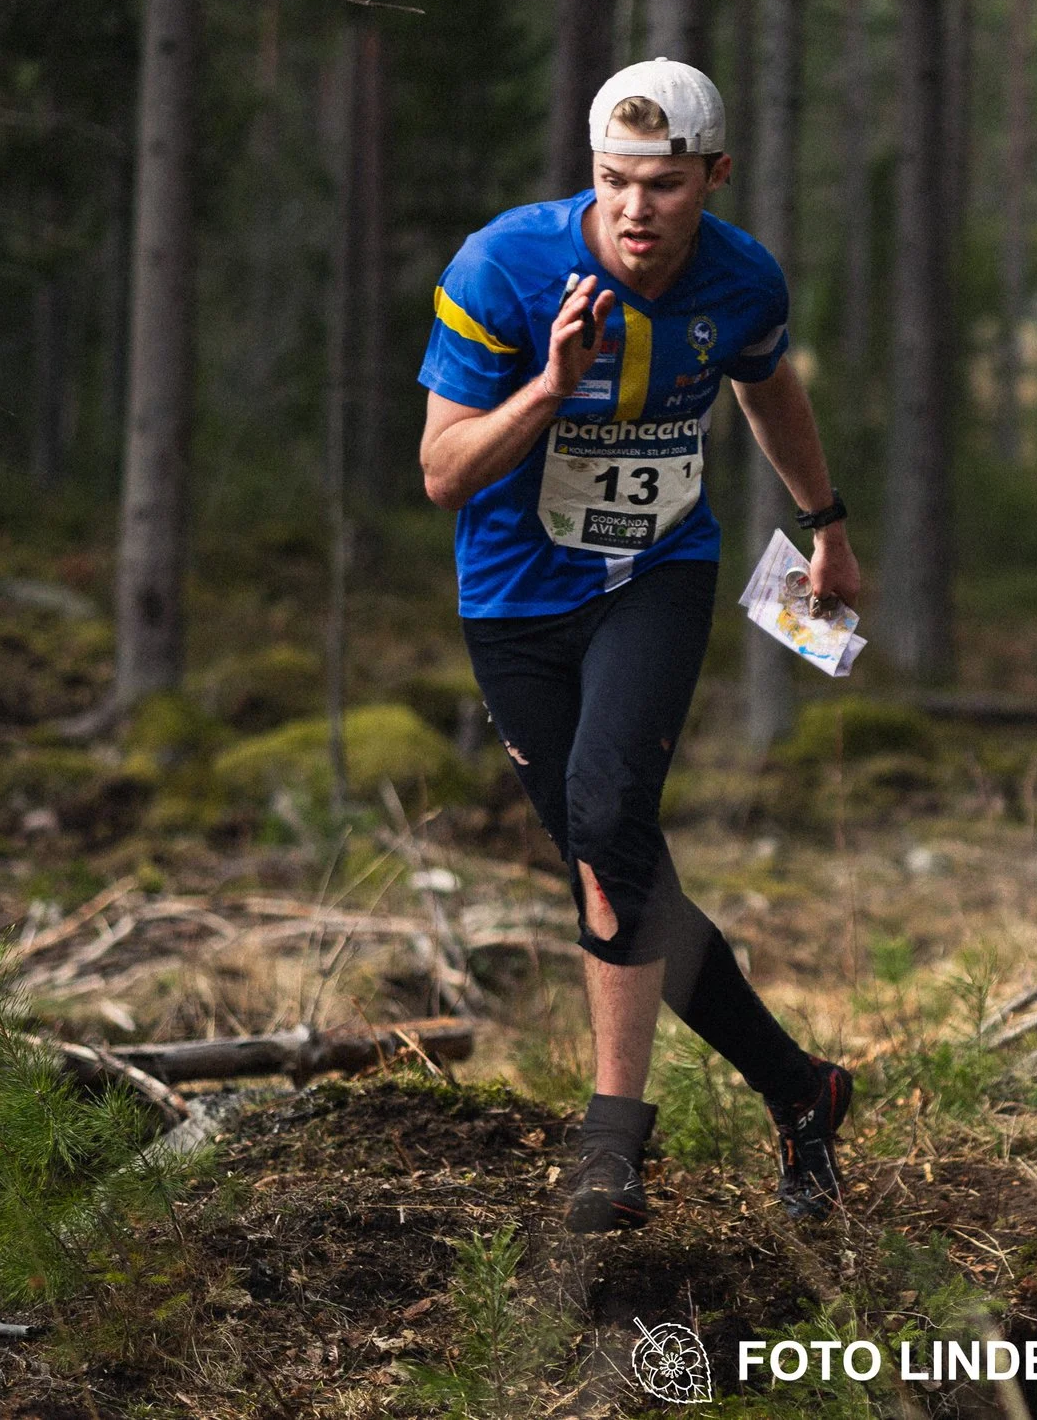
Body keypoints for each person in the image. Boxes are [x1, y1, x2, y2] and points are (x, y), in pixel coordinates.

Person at [416, 59, 860, 1232]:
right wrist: (549, 387)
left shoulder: (741, 275)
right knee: (614, 865)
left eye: (663, 184)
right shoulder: (503, 267)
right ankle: (802, 1088)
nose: (634, 209)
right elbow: (441, 472)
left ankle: (609, 1147)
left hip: (659, 573)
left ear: (713, 176)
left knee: (610, 819)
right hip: (515, 600)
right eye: (614, 181)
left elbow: (767, 387)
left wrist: (826, 524)